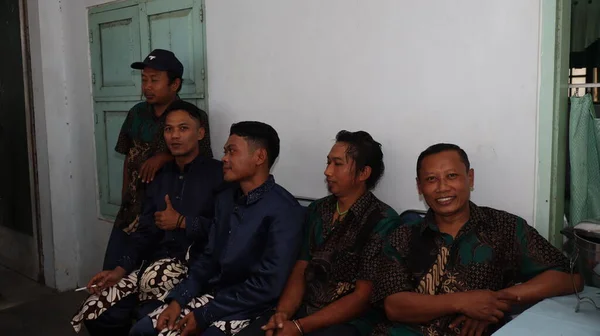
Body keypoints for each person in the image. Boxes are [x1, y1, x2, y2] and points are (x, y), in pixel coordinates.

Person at [370, 143, 584, 336]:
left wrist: (494, 301)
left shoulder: (505, 228)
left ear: (470, 178)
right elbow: (394, 305)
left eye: (452, 176)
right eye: (431, 179)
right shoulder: (403, 235)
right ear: (419, 186)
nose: (442, 187)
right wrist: (463, 302)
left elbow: (569, 277)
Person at [129, 121, 305, 336]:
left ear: (259, 157)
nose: (224, 159)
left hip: (250, 306)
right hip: (214, 295)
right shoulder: (226, 199)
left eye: (232, 152)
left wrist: (205, 315)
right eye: (225, 152)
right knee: (143, 331)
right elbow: (208, 258)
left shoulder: (284, 210)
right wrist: (178, 300)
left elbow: (266, 285)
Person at [72, 101, 223, 335]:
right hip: (151, 266)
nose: (174, 136)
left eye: (183, 129)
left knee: (147, 321)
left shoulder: (219, 175)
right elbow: (145, 231)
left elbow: (224, 232)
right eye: (169, 129)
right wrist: (120, 269)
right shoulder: (161, 176)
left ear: (200, 133)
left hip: (195, 271)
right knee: (96, 313)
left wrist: (182, 221)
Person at [250, 130, 399, 336]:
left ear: (363, 173)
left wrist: (301, 327)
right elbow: (301, 267)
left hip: (349, 322)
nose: (327, 172)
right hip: (304, 310)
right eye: (328, 162)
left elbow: (362, 297)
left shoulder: (383, 220)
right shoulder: (318, 210)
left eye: (337, 164)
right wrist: (283, 314)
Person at [104, 49, 213, 270]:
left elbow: (200, 164)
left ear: (175, 84)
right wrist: (126, 197)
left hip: (166, 211)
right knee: (115, 268)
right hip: (132, 209)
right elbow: (128, 157)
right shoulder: (136, 113)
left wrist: (164, 157)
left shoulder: (192, 118)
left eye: (154, 80)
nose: (147, 86)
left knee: (152, 272)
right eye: (144, 80)